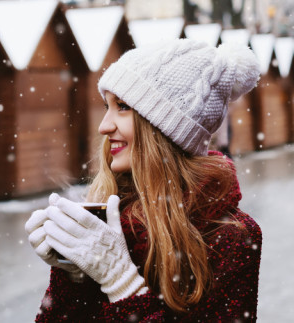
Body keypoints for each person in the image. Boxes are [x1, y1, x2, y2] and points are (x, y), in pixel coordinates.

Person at [25, 38, 262, 321]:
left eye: (122, 106)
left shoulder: (232, 238)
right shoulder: (108, 217)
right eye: (107, 106)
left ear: (164, 130)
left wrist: (122, 284)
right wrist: (72, 276)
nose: (104, 126)